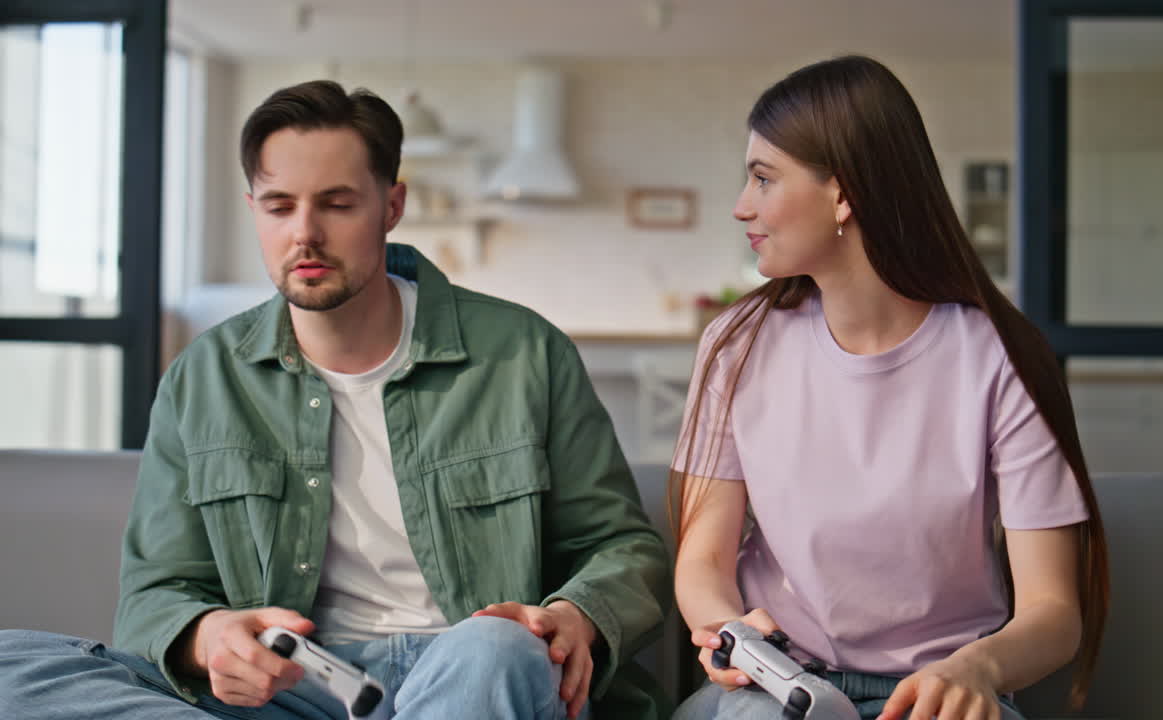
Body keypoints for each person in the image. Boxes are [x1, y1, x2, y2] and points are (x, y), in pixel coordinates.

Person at [0, 80, 671, 720]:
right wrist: (209, 638)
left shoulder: (522, 351)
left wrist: (573, 615)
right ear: (254, 210)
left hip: (471, 671)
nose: (305, 233)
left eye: (338, 203)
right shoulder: (204, 376)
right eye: (280, 205)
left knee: (496, 645)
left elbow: (620, 546)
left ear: (392, 206)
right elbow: (154, 593)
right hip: (295, 688)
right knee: (15, 667)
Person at [669, 55, 1109, 720]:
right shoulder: (737, 344)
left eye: (763, 179)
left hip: (942, 691)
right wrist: (730, 631)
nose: (741, 206)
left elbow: (1055, 613)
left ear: (842, 194)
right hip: (779, 685)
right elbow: (703, 561)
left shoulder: (1000, 357)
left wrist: (978, 668)